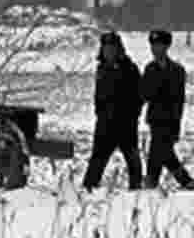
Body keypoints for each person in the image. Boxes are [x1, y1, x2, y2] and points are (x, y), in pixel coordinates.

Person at [81, 31, 143, 192]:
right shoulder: (101, 69)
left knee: (132, 159)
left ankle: (136, 191)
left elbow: (139, 96)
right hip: (105, 123)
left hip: (126, 124)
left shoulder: (130, 68)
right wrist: (100, 113)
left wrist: (132, 115)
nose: (108, 51)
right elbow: (98, 96)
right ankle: (88, 189)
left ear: (118, 49)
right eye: (106, 48)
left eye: (112, 48)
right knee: (97, 159)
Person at [141, 29, 194, 189]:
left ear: (166, 47)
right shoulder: (150, 69)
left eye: (159, 46)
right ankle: (185, 181)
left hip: (170, 120)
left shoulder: (177, 71)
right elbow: (143, 94)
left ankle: (157, 182)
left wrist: (177, 125)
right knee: (161, 151)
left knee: (161, 153)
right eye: (153, 46)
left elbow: (179, 100)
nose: (155, 49)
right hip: (155, 120)